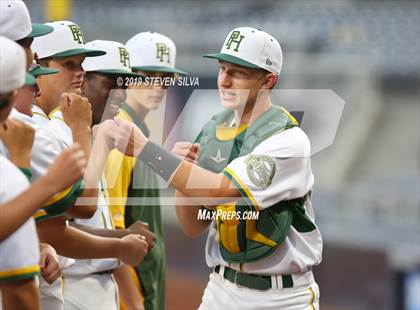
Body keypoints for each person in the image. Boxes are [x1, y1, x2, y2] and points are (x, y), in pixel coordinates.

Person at [109, 27, 322, 309]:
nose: (225, 80)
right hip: (221, 288)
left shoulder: (288, 140)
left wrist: (148, 151)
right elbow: (192, 224)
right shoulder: (215, 129)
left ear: (269, 80)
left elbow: (217, 192)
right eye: (223, 68)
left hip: (281, 296)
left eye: (239, 72)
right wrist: (184, 171)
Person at [49, 39, 153, 310]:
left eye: (125, 85)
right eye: (111, 84)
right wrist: (121, 240)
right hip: (71, 285)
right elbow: (55, 227)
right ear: (82, 82)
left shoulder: (90, 132)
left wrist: (123, 236)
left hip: (100, 285)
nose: (120, 94)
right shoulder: (59, 134)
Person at [0, 35, 85, 310]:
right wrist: (47, 183)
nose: (35, 90)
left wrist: (35, 246)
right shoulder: (25, 132)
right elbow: (83, 203)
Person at [105, 31, 187, 310]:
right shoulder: (120, 131)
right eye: (149, 75)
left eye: (165, 79)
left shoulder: (137, 131)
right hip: (130, 295)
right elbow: (113, 230)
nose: (159, 86)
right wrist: (135, 304)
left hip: (142, 285)